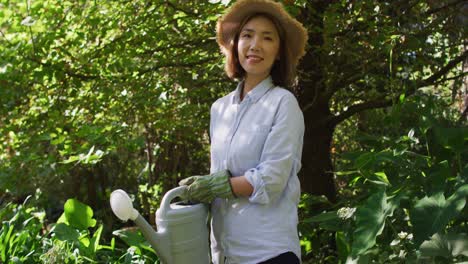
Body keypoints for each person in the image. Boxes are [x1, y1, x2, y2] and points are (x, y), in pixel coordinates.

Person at [179, 0, 308, 263]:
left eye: (267, 38)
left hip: (269, 251)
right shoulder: (220, 109)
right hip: (226, 253)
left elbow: (271, 179)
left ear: (279, 51)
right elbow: (220, 172)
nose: (255, 45)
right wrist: (201, 190)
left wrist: (217, 186)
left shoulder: (283, 103)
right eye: (247, 35)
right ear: (235, 45)